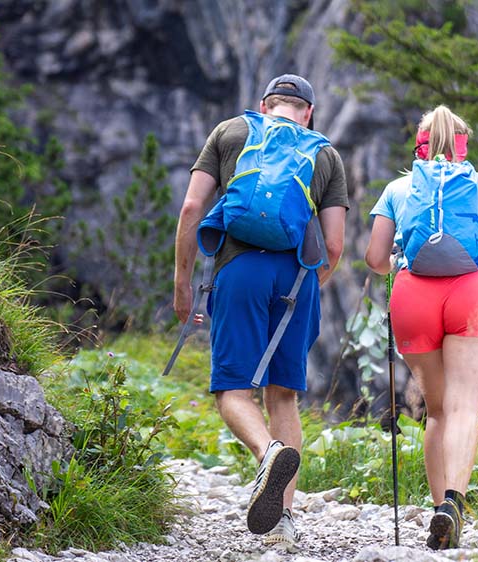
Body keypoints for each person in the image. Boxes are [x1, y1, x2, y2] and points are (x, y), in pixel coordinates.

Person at [173, 74, 348, 547]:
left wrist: (182, 283)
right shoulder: (325, 155)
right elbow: (334, 245)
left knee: (233, 388)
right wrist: (309, 284)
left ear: (264, 105)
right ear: (308, 113)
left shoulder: (229, 132)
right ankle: (282, 521)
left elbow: (191, 208)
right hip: (296, 278)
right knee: (283, 396)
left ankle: (267, 451)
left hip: (240, 269)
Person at [364, 105, 478, 550]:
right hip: (474, 294)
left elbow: (375, 260)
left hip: (413, 297)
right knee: (464, 406)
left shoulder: (398, 188)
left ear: (421, 144)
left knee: (437, 411)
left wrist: (405, 258)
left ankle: (438, 510)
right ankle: (454, 502)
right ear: (463, 144)